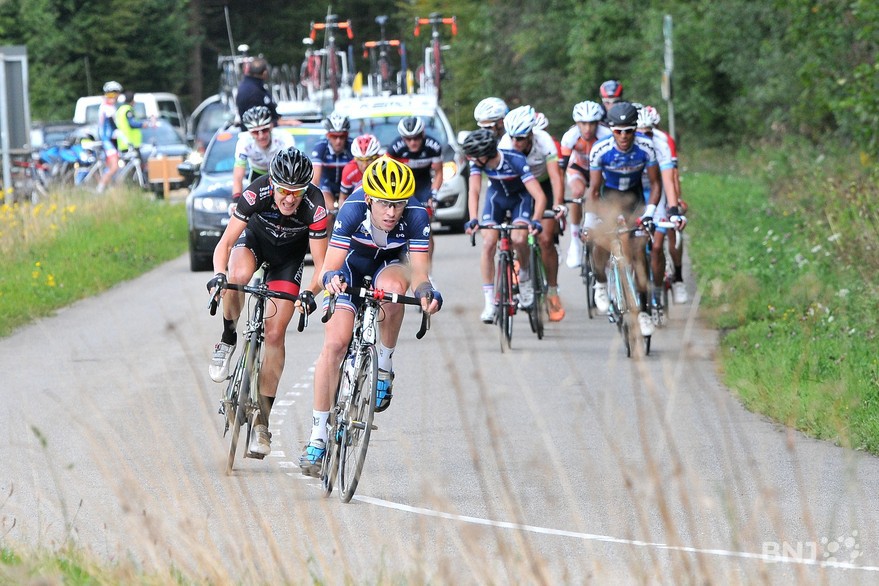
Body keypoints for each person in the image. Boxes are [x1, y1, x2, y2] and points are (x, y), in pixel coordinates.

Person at [298, 158, 443, 476]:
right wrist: (331, 278)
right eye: (384, 204)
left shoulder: (416, 215)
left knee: (394, 291)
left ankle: (384, 366)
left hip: (391, 266)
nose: (391, 212)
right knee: (335, 345)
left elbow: (420, 274)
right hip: (351, 266)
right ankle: (317, 436)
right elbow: (329, 266)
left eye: (398, 204)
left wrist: (426, 293)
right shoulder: (352, 209)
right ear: (369, 199)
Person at [207, 147, 329, 457]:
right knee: (237, 276)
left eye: (297, 192)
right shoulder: (256, 192)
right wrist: (219, 275)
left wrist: (310, 293)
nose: (289, 198)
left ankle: (262, 422)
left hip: (288, 261)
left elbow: (323, 266)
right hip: (255, 243)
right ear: (272, 183)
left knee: (275, 334)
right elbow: (225, 243)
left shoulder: (315, 207)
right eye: (284, 190)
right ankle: (228, 338)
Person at [585, 101, 667, 338]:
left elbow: (655, 184)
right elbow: (593, 190)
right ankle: (601, 283)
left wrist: (650, 213)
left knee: (639, 252)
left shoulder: (646, 147)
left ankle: (644, 311)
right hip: (608, 199)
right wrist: (590, 220)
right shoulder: (600, 149)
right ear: (611, 130)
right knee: (600, 243)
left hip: (634, 200)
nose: (623, 136)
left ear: (635, 129)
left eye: (629, 131)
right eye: (618, 131)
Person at [462, 128, 546, 324]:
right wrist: (473, 218)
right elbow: (474, 191)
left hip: (520, 200)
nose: (471, 159)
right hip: (496, 201)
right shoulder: (478, 163)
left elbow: (539, 196)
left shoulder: (515, 159)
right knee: (488, 243)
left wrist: (536, 219)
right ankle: (490, 302)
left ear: (485, 154)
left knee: (519, 238)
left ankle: (524, 277)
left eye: (474, 155)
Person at [497, 105, 567, 321]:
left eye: (520, 138)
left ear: (530, 135)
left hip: (542, 186)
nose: (515, 143)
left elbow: (556, 177)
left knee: (545, 239)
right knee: (517, 237)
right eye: (512, 138)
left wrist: (559, 204)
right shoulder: (504, 144)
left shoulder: (544, 141)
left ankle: (553, 291)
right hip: (518, 189)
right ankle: (524, 269)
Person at [635, 105, 689, 305]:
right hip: (637, 190)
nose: (644, 137)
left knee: (659, 244)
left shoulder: (663, 142)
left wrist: (675, 206)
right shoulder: (627, 143)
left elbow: (670, 177)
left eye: (648, 132)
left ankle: (675, 279)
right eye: (639, 133)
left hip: (659, 190)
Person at [560, 100, 611, 268]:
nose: (588, 128)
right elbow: (561, 170)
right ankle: (575, 240)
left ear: (598, 123)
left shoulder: (606, 134)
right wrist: (559, 199)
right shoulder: (570, 136)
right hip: (579, 168)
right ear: (577, 123)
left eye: (592, 123)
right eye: (583, 123)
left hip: (600, 169)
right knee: (577, 192)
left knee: (598, 195)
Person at [387, 116, 443, 257]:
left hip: (423, 185)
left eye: (416, 138)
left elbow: (438, 173)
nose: (413, 142)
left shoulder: (433, 146)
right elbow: (386, 172)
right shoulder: (395, 148)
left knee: (425, 226)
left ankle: (427, 266)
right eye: (408, 139)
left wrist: (434, 194)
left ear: (422, 134)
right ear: (403, 138)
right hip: (403, 185)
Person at [232, 106, 294, 211]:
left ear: (271, 127)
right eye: (255, 132)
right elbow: (238, 175)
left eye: (264, 130)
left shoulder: (284, 138)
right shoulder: (244, 142)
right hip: (257, 174)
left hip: (280, 175)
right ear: (249, 132)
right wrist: (236, 200)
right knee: (252, 208)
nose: (261, 136)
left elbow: (291, 170)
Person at [310, 112, 354, 213]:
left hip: (347, 185)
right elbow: (315, 179)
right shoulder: (321, 147)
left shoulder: (352, 146)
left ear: (347, 136)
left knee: (349, 211)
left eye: (342, 136)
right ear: (327, 136)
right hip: (327, 184)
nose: (338, 141)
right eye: (334, 136)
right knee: (329, 209)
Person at [338, 133, 382, 205]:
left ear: (377, 157)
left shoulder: (384, 166)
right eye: (360, 160)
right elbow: (343, 198)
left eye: (369, 159)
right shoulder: (349, 170)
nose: (364, 165)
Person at [236, 57, 279, 124]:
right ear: (264, 73)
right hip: (260, 128)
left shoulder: (251, 87)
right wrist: (278, 123)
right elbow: (258, 122)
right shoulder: (254, 92)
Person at [96, 81, 123, 192]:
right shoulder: (107, 107)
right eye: (112, 95)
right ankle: (100, 188)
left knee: (111, 167)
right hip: (108, 141)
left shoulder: (108, 106)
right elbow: (112, 125)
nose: (115, 97)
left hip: (110, 141)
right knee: (114, 167)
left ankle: (109, 189)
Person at [114, 91, 150, 155]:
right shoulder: (128, 110)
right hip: (130, 143)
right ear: (132, 100)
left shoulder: (120, 109)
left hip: (123, 143)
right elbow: (132, 123)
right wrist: (142, 124)